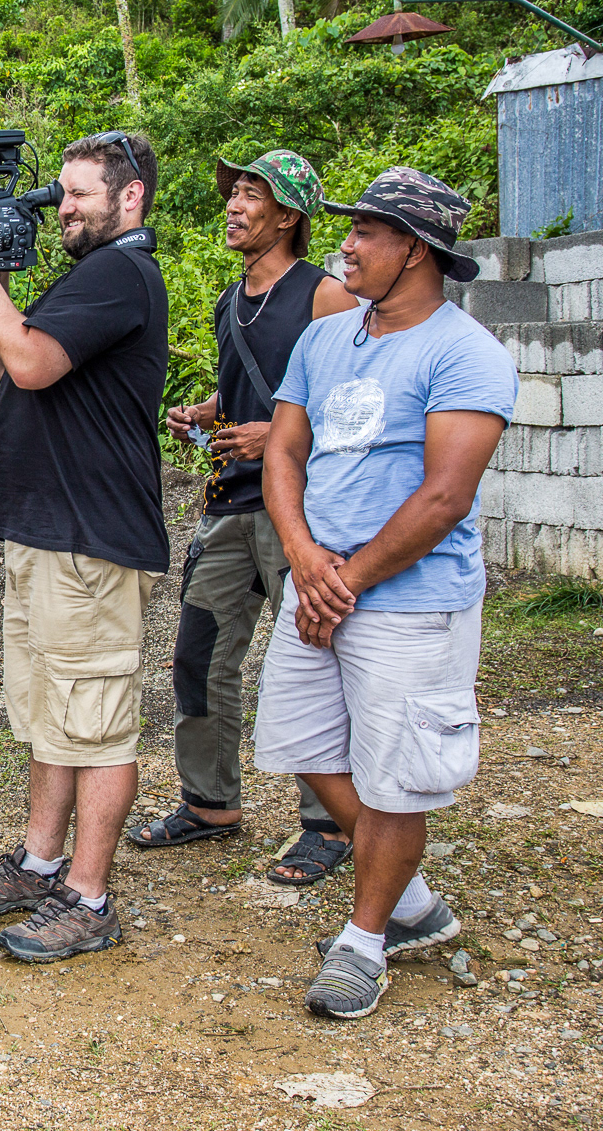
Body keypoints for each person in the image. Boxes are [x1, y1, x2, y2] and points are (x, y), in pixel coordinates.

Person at [255, 167, 515, 1020]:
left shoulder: (465, 353)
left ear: (415, 249)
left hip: (409, 600)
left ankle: (365, 942)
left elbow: (445, 495)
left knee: (396, 780)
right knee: (304, 744)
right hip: (318, 584)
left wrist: (349, 578)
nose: (348, 245)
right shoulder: (326, 338)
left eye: (367, 231)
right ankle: (408, 900)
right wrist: (304, 557)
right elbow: (285, 453)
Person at [0, 131, 167, 963]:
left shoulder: (122, 272)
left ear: (130, 195)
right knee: (50, 714)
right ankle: (41, 863)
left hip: (91, 540)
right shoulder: (88, 274)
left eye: (78, 194)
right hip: (48, 534)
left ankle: (90, 898)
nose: (63, 207)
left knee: (97, 723)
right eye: (61, 193)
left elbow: (30, 365)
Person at [131, 151, 358, 884]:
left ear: (288, 217)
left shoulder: (325, 295)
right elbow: (251, 393)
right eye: (234, 193)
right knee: (198, 655)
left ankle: (328, 824)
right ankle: (210, 802)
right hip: (231, 503)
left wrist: (281, 435)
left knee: (316, 661)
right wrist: (209, 414)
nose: (233, 205)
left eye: (252, 195)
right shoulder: (233, 299)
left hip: (303, 507)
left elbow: (362, 404)